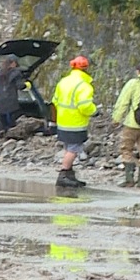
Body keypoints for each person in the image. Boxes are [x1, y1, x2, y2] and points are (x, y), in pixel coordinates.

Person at [51, 56, 96, 188]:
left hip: (63, 121)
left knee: (68, 148)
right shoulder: (84, 85)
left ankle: (70, 175)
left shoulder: (63, 81)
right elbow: (85, 106)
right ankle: (64, 174)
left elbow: (55, 101)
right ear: (86, 68)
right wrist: (94, 111)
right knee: (74, 149)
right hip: (76, 123)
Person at [0, 53, 29, 132]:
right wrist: (26, 85)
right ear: (13, 63)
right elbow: (20, 86)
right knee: (13, 122)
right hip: (11, 101)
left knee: (3, 122)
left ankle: (2, 137)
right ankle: (13, 137)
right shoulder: (16, 73)